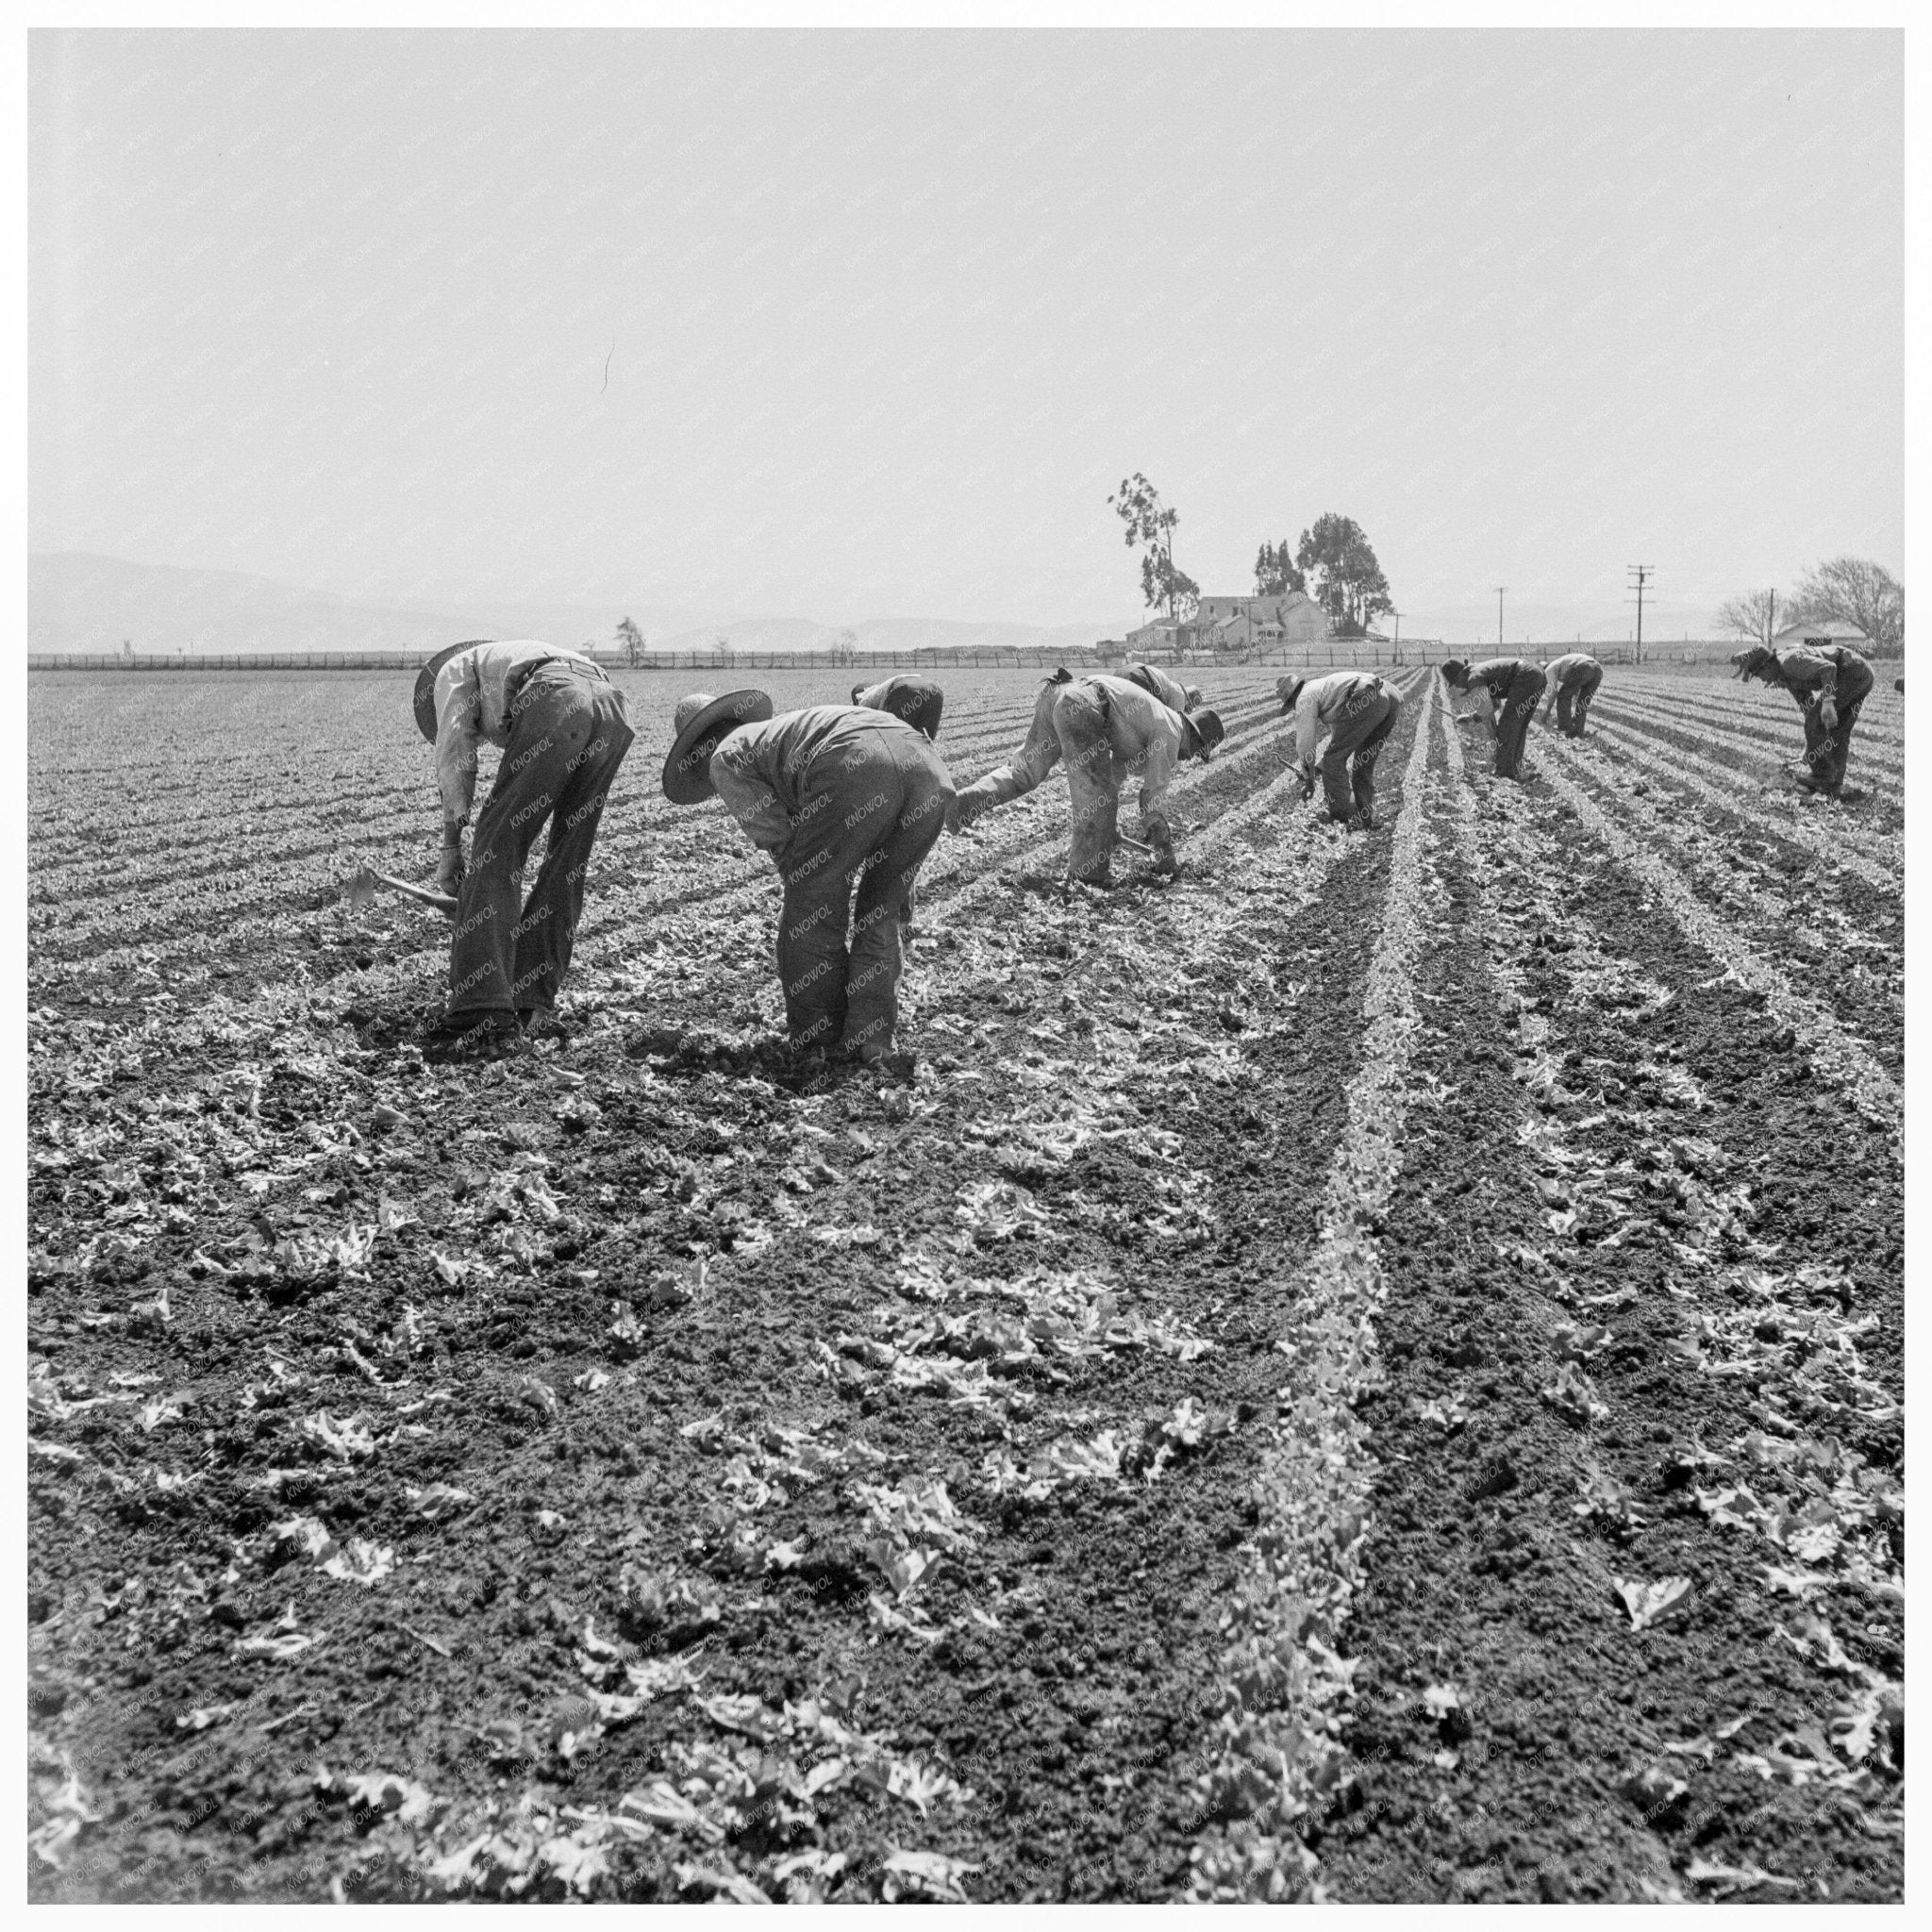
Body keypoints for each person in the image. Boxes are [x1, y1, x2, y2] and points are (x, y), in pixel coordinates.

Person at [663, 691, 953, 1065]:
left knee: (809, 915)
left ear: (699, 749)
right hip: (929, 769)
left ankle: (820, 1040)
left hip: (856, 766)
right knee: (881, 913)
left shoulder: (725, 757)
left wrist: (811, 884)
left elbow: (779, 837)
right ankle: (872, 1041)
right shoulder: (778, 732)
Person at [415, 639, 633, 1059]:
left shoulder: (453, 672)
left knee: (498, 849)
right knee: (568, 858)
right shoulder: (518, 654)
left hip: (555, 701)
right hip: (611, 706)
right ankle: (530, 999)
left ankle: (480, 1012)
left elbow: (456, 750)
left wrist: (451, 848)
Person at [946, 668, 1224, 885]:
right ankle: (1088, 875)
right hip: (1084, 707)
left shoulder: (1154, 719)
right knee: (1098, 799)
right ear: (1196, 740)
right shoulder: (1172, 733)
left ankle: (968, 801)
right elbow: (1151, 798)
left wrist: (1108, 827)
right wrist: (1164, 850)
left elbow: (1116, 772)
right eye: (1195, 753)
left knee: (1024, 772)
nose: (1188, 759)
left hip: (1059, 694)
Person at [1734, 641, 1875, 798]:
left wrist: (1828, 702)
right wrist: (1812, 747)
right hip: (1862, 674)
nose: (1762, 680)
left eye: (1759, 674)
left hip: (1852, 671)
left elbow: (1829, 669)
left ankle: (1822, 775)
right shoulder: (1785, 676)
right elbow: (1808, 710)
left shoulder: (1790, 662)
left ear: (1767, 666)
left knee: (1818, 722)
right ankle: (1833, 784)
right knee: (1838, 731)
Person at [1276, 672, 1401, 827]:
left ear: (1291, 698)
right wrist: (1317, 769)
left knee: (1333, 761)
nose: (1294, 709)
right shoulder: (1323, 689)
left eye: (1290, 706)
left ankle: (1345, 817)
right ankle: (1365, 819)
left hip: (1366, 695)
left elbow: (1306, 741)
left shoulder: (1304, 698)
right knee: (1364, 761)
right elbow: (1339, 741)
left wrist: (1309, 778)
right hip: (1390, 694)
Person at [1440, 658, 1545, 779]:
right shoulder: (1479, 670)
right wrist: (1471, 718)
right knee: (1518, 726)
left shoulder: (1474, 678)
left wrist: (1495, 738)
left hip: (1526, 675)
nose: (1458, 686)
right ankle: (1514, 768)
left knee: (1508, 725)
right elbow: (1494, 705)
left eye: (1455, 682)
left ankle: (1504, 771)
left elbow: (1486, 709)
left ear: (1459, 676)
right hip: (1537, 673)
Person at [852, 673, 944, 741]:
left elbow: (863, 728)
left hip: (905, 689)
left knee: (897, 738)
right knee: (926, 740)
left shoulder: (864, 700)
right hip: (934, 690)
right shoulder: (880, 690)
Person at [1538, 651, 1604, 738]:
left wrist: (1548, 711)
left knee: (1562, 696)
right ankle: (1578, 731)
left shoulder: (1549, 669)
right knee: (1582, 703)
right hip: (1598, 669)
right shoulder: (1561, 664)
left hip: (1583, 666)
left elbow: (1553, 693)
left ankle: (1565, 729)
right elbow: (1576, 688)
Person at [1118, 662, 1204, 714]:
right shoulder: (1180, 695)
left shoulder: (1169, 685)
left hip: (1123, 672)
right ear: (1188, 702)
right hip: (1140, 676)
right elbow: (1174, 724)